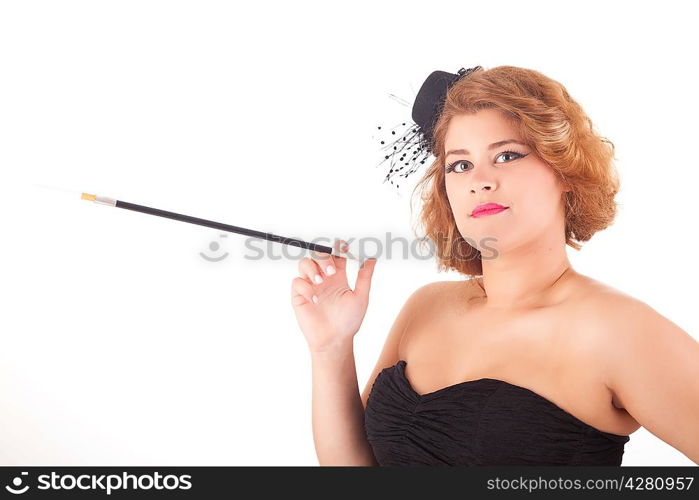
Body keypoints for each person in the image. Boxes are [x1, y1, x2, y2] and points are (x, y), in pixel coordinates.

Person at [290, 65, 699, 466]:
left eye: (506, 155)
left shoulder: (620, 332)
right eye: (460, 164)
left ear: (566, 170)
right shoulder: (426, 308)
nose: (479, 180)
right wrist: (331, 348)